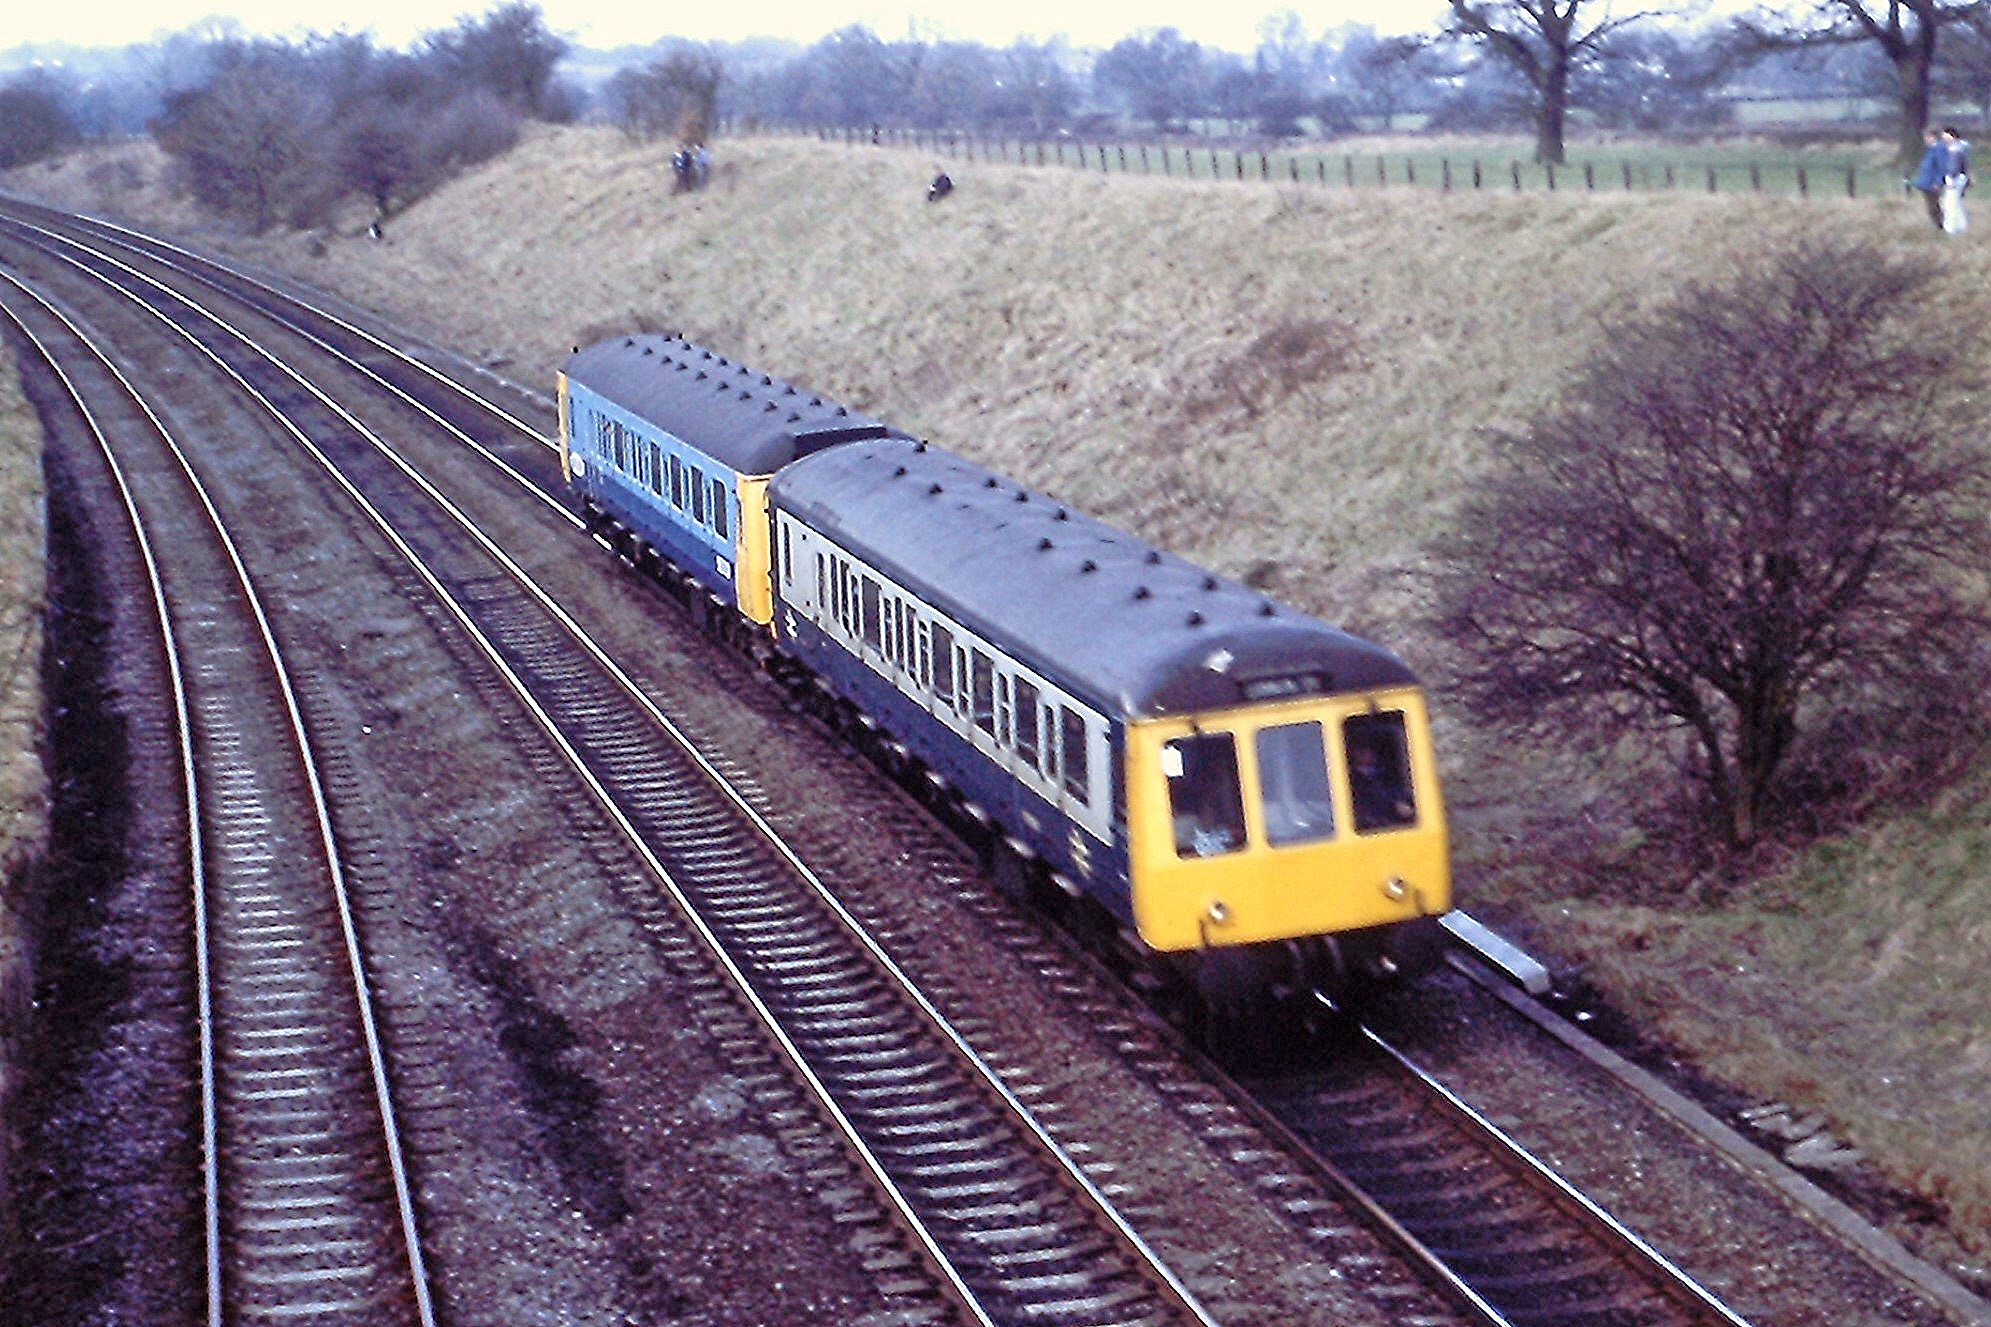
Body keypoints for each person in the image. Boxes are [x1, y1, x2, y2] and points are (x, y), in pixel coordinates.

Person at [1912, 127, 1947, 231]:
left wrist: (1938, 182)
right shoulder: (1931, 149)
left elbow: (1941, 167)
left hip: (1933, 184)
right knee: (1931, 207)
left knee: (1933, 207)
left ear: (1934, 137)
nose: (1925, 139)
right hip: (1927, 183)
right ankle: (1940, 226)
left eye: (1927, 137)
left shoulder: (1939, 149)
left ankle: (1942, 226)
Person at [1941, 125, 1972, 234]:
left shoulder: (1956, 148)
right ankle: (1962, 225)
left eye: (1946, 135)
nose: (1944, 138)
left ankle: (1952, 228)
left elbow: (1955, 166)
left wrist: (1951, 179)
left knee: (1950, 203)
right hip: (1956, 177)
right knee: (1955, 202)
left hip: (1955, 177)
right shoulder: (1957, 147)